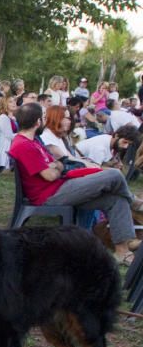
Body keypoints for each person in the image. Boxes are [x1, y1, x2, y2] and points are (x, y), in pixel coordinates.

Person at [9, 102, 138, 266]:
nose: (44, 120)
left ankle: (122, 252)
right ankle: (133, 201)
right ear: (37, 122)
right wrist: (56, 167)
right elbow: (50, 175)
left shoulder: (33, 142)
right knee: (113, 174)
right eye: (42, 117)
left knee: (116, 200)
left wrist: (56, 166)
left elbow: (57, 164)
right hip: (50, 195)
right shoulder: (24, 145)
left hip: (60, 187)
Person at [75, 125, 140, 167]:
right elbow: (94, 168)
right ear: (116, 136)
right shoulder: (100, 147)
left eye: (129, 144)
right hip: (74, 165)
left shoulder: (109, 140)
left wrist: (114, 164)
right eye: (124, 142)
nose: (125, 147)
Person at [0, 94, 19, 171]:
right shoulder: (3, 118)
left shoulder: (10, 117)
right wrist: (24, 134)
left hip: (14, 144)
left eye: (14, 101)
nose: (14, 103)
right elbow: (9, 136)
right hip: (8, 146)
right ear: (4, 105)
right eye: (10, 102)